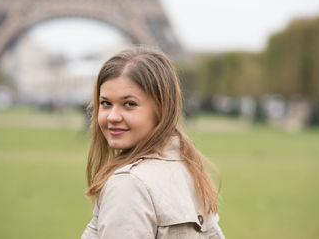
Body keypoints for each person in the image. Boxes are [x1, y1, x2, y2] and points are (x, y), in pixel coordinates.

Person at [81, 46, 226, 239]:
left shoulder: (129, 183)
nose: (113, 116)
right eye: (106, 103)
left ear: (161, 109)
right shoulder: (189, 168)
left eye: (129, 104)